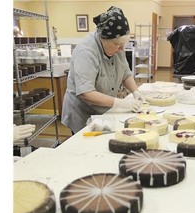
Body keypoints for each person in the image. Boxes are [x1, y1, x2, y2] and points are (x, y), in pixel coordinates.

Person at [61, 6, 145, 134]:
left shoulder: (117, 45)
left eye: (123, 45)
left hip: (103, 110)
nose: (121, 49)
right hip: (83, 113)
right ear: (103, 38)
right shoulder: (86, 52)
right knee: (86, 146)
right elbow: (86, 92)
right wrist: (120, 103)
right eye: (117, 45)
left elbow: (125, 73)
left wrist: (136, 92)